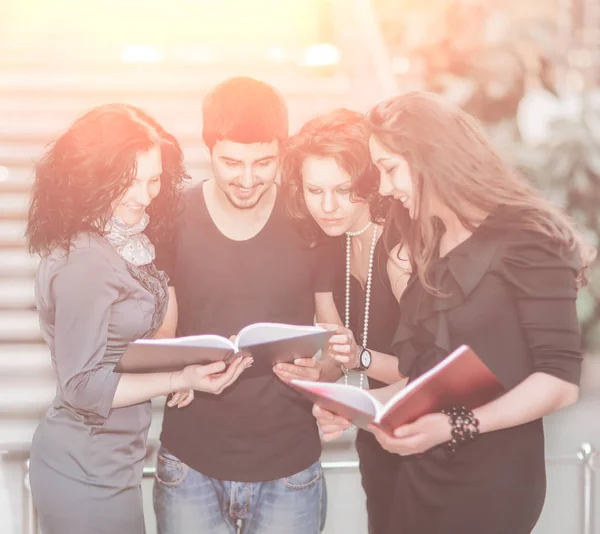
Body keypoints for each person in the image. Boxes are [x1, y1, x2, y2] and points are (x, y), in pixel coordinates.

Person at [314, 92, 594, 534]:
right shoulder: (427, 241)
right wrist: (357, 409)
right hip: (422, 475)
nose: (384, 189)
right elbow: (429, 381)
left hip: (493, 482)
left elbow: (559, 383)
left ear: (428, 158)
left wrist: (455, 426)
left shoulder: (528, 238)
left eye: (388, 170)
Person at [25, 103, 252, 534]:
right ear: (95, 176)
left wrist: (187, 363)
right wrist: (181, 379)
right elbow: (81, 387)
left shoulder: (118, 242)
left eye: (153, 180)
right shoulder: (86, 260)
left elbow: (121, 347)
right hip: (83, 467)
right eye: (129, 181)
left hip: (111, 461)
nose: (145, 195)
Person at [152, 77, 340, 534]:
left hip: (290, 465)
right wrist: (171, 373)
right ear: (209, 149)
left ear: (283, 152)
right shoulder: (172, 215)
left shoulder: (308, 218)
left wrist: (326, 372)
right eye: (232, 162)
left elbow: (336, 339)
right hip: (189, 463)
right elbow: (164, 331)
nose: (248, 178)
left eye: (265, 163)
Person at [279, 108, 410, 534]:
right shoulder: (325, 243)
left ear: (369, 183)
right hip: (379, 436)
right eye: (314, 190)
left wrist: (360, 359)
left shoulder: (402, 246)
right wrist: (322, 382)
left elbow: (436, 366)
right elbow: (340, 354)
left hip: (433, 436)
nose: (328, 206)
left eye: (343, 190)